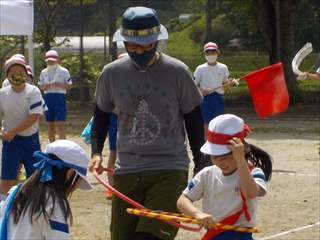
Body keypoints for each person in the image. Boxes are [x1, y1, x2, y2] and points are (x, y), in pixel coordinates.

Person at [90, 6, 209, 240]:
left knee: (150, 238)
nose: (139, 51)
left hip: (169, 168)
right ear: (124, 42)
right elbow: (101, 113)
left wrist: (200, 161)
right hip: (127, 171)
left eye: (146, 45)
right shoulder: (111, 73)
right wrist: (96, 151)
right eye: (133, 46)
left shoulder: (177, 72)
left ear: (157, 41)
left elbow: (194, 119)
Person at [177, 114, 273, 240]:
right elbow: (182, 201)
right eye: (214, 157)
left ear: (241, 150)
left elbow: (251, 193)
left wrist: (240, 159)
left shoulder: (254, 172)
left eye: (225, 158)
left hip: (240, 236)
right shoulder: (207, 173)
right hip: (213, 234)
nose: (219, 162)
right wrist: (197, 214)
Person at [0, 140, 92, 239]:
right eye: (79, 180)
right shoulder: (54, 205)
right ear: (70, 174)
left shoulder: (15, 191)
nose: (77, 187)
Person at [0, 57, 44, 199]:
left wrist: (13, 131)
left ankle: (34, 208)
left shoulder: (33, 91)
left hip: (31, 141)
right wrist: (3, 132)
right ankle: (4, 209)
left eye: (21, 71)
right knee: (7, 180)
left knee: (35, 179)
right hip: (10, 142)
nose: (17, 74)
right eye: (12, 71)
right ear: (7, 76)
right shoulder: (3, 94)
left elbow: (34, 116)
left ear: (26, 74)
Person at [194, 42, 236, 140]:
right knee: (206, 122)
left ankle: (217, 141)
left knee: (219, 121)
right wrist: (201, 91)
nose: (211, 55)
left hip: (218, 98)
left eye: (213, 52)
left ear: (217, 53)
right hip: (205, 99)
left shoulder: (223, 67)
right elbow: (193, 85)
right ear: (205, 54)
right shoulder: (200, 69)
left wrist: (231, 83)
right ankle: (206, 141)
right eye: (208, 53)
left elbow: (226, 83)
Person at [38, 50, 72, 142]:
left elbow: (69, 86)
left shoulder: (64, 71)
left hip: (60, 98)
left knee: (61, 124)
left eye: (52, 61)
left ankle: (63, 147)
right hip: (48, 98)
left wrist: (59, 84)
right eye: (49, 61)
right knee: (50, 125)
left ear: (58, 60)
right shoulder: (44, 72)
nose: (51, 63)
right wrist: (45, 87)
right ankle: (52, 147)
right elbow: (40, 86)